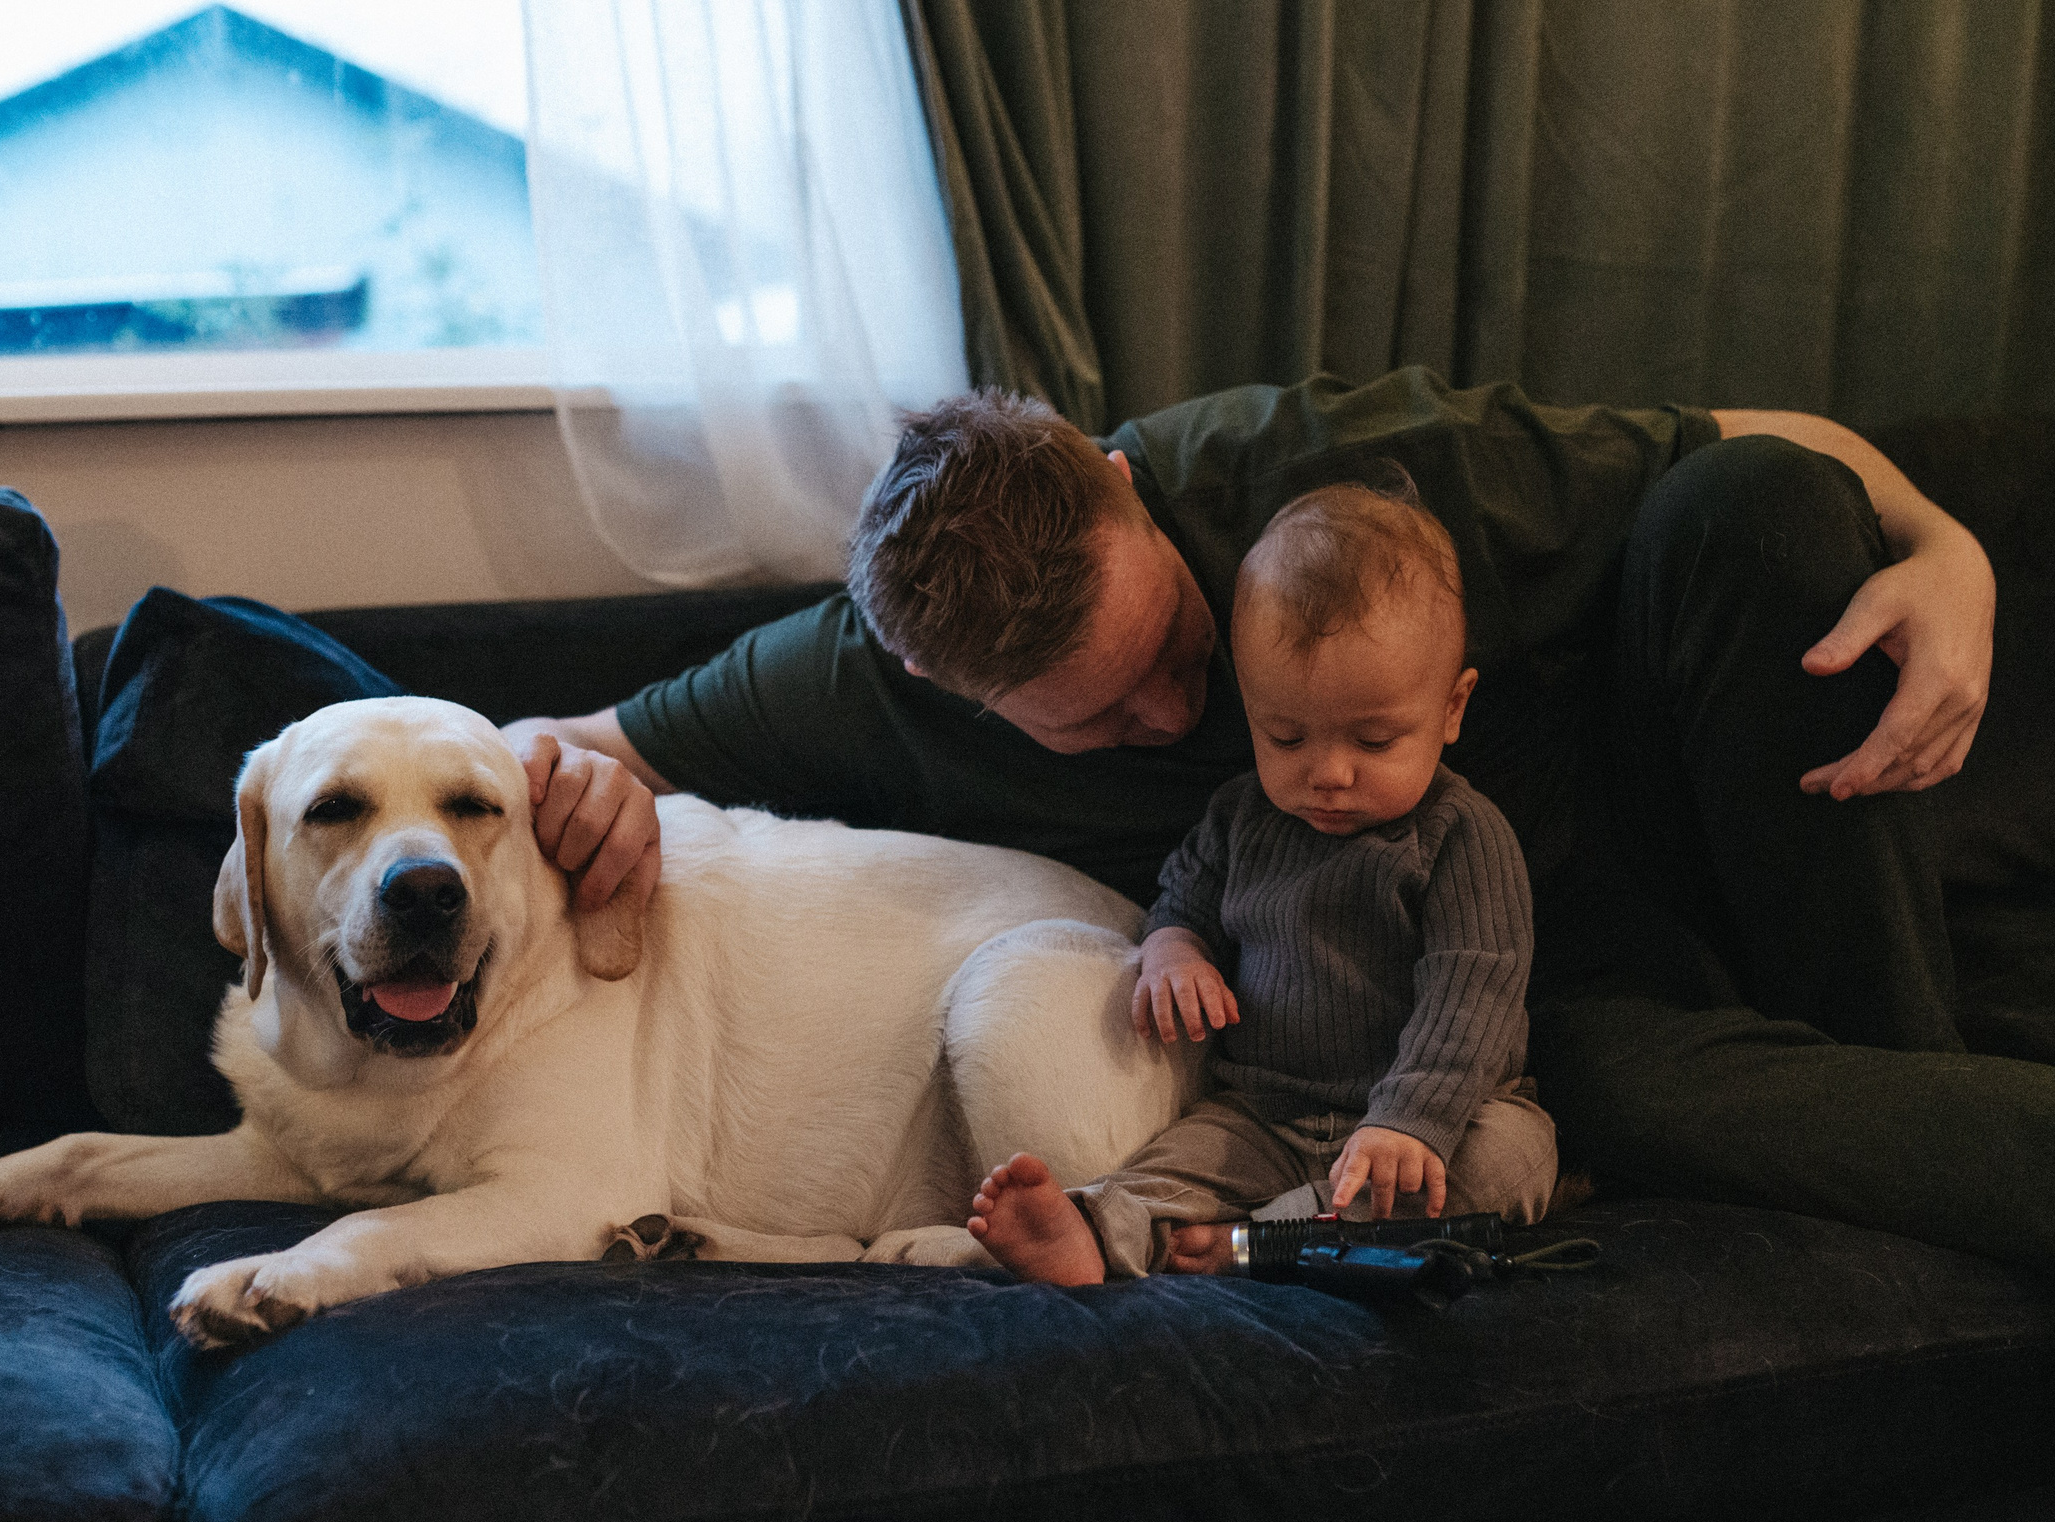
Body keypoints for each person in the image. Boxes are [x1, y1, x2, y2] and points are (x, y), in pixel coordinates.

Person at [504, 367, 2051, 1272]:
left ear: (1121, 483)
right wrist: (576, 794)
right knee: (1631, 1106)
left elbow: (1755, 432)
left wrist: (1949, 549)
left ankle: (1906, 1061)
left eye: (1179, 649)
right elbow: (549, 745)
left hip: (1664, 819)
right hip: (1524, 1022)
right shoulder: (850, 681)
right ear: (934, 683)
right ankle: (1935, 1139)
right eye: (1103, 720)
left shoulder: (1307, 469)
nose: (1181, 717)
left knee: (1755, 502)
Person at [966, 479, 1554, 1285]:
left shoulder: (1459, 834)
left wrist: (1409, 1122)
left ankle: (1260, 1238)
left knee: (1512, 1160)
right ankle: (1101, 1227)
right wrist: (1173, 949)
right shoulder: (1242, 817)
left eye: (1375, 739)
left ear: (1451, 709)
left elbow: (1472, 997)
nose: (1330, 774)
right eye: (1286, 735)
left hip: (1435, 1115)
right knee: (1180, 1156)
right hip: (1265, 1115)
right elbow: (1182, 899)